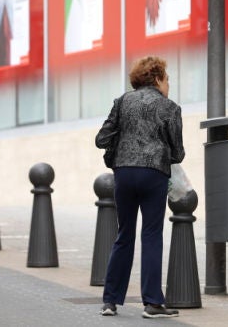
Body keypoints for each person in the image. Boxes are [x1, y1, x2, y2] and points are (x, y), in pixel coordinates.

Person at [95, 56, 185, 318]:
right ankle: (153, 303)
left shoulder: (122, 102)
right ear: (157, 78)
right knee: (151, 234)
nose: (168, 84)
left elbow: (102, 139)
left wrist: (122, 145)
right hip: (153, 174)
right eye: (167, 79)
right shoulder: (170, 108)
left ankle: (110, 301)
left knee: (124, 234)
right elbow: (178, 153)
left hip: (124, 173)